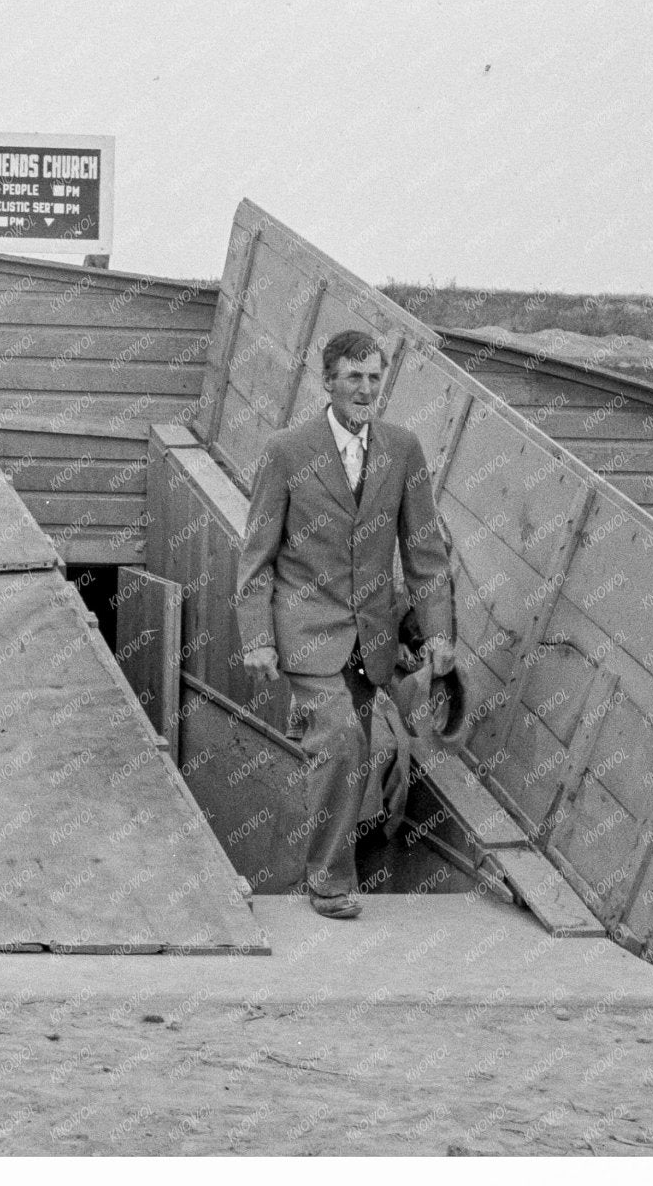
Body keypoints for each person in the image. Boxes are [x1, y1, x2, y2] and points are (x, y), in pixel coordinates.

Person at [236, 329, 457, 919]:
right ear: (327, 381)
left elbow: (424, 553)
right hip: (305, 631)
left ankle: (323, 862)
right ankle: (329, 881)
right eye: (354, 378)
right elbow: (256, 555)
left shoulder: (403, 450)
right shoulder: (287, 450)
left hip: (372, 637)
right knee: (341, 739)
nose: (365, 389)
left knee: (355, 753)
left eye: (374, 378)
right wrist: (256, 637)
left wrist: (438, 632)